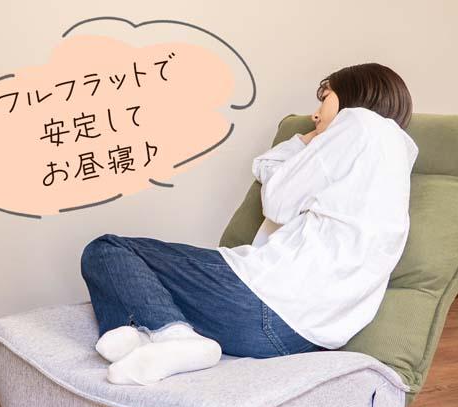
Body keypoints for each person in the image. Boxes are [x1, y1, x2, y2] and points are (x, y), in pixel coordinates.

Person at [80, 62, 419, 385]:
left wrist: (305, 141)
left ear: (355, 95)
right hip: (296, 338)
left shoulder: (358, 122)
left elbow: (277, 200)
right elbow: (267, 169)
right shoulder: (393, 163)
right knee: (137, 288)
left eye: (325, 98)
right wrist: (309, 141)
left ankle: (174, 337)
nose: (316, 114)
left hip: (266, 302)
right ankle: (141, 337)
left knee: (107, 249)